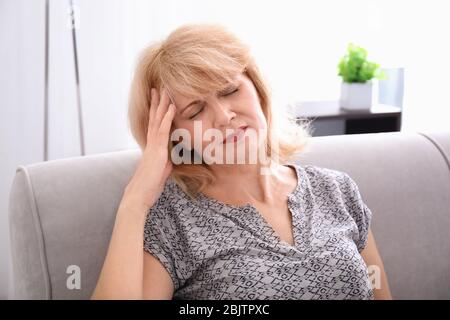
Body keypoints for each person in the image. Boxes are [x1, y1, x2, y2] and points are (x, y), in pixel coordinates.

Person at [91, 23, 392, 300]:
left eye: (230, 90)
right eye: (195, 110)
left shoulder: (336, 189)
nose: (223, 117)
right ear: (173, 134)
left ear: (257, 88)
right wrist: (135, 201)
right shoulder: (171, 219)